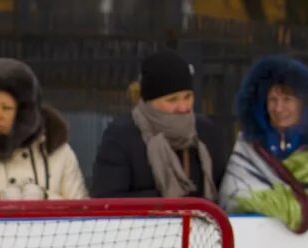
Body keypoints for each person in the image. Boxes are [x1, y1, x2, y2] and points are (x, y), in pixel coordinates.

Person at [219, 55, 308, 233]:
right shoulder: (248, 146)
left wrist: (281, 204)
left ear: (304, 103)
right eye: (272, 100)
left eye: (287, 99)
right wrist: (294, 207)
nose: (279, 108)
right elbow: (234, 194)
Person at [91, 48, 228, 200]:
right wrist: (166, 199)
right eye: (172, 100)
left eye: (187, 96)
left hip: (202, 224)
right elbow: (107, 200)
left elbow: (224, 192)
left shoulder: (206, 132)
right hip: (145, 224)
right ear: (150, 102)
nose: (183, 107)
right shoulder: (121, 136)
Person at [0, 57, 88, 200]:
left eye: (6, 108)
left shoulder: (60, 153)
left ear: (25, 112)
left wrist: (45, 198)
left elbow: (83, 213)